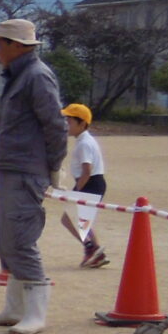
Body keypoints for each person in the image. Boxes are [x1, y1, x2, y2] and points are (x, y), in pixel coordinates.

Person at [0, 19, 68, 334]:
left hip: (27, 169)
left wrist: (53, 166)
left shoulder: (37, 76)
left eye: (1, 44)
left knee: (21, 238)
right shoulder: (20, 76)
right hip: (12, 167)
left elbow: (55, 125)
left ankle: (35, 312)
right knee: (6, 240)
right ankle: (15, 308)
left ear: (18, 46)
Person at [61, 102, 108, 268]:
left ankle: (91, 248)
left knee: (68, 219)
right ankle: (97, 253)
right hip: (92, 182)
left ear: (82, 123)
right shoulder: (84, 140)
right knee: (82, 220)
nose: (67, 125)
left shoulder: (84, 144)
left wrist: (76, 191)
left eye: (70, 122)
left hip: (90, 183)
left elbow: (86, 170)